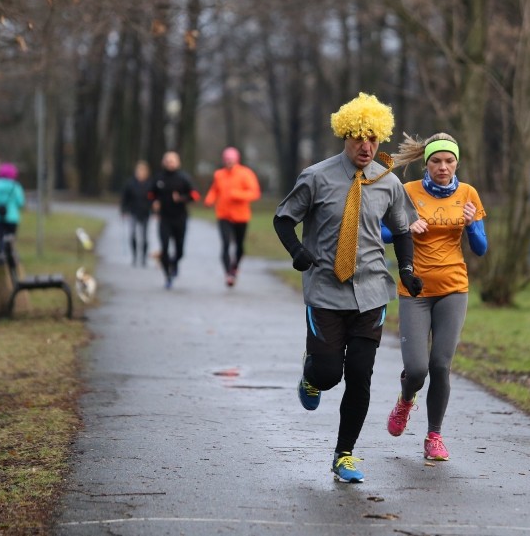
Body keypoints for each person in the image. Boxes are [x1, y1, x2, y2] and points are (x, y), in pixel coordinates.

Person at [273, 92, 424, 483]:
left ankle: (345, 454)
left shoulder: (387, 181)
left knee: (360, 373)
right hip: (325, 289)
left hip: (372, 291)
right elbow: (283, 219)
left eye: (373, 139)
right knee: (328, 375)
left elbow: (404, 230)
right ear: (345, 136)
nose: (366, 146)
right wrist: (298, 252)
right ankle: (311, 375)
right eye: (359, 137)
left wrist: (406, 270)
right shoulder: (316, 176)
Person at [382, 132, 488, 461]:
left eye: (449, 161)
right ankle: (405, 400)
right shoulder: (407, 192)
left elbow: (481, 249)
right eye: (436, 161)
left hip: (454, 289)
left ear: (457, 163)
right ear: (426, 164)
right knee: (416, 369)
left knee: (440, 365)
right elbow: (383, 232)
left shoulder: (468, 193)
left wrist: (471, 225)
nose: (443, 167)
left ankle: (434, 436)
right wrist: (404, 227)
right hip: (415, 290)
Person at [204, 146, 261, 287]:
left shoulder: (246, 173)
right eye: (227, 160)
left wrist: (237, 194)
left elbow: (254, 193)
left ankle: (235, 267)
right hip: (223, 214)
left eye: (231, 160)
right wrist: (209, 199)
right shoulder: (219, 174)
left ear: (237, 160)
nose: (229, 162)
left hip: (241, 216)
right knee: (225, 244)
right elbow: (214, 190)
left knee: (239, 246)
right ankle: (229, 273)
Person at [148, 151, 200, 289]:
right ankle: (168, 275)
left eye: (173, 160)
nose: (170, 163)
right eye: (167, 160)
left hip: (180, 218)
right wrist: (154, 202)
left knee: (180, 250)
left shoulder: (183, 178)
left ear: (178, 162)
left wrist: (182, 199)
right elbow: (150, 194)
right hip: (164, 218)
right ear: (163, 162)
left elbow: (195, 195)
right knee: (164, 248)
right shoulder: (159, 178)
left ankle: (174, 263)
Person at [0, 162, 26, 254]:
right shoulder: (16, 186)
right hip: (12, 217)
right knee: (10, 239)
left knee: (0, 237)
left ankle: (0, 256)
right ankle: (10, 258)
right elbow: (20, 202)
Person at [120, 160, 152, 267]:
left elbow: (153, 199)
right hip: (133, 211)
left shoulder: (149, 184)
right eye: (139, 171)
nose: (140, 173)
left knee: (144, 236)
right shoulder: (130, 183)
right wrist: (124, 210)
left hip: (145, 212)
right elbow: (125, 198)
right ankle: (134, 256)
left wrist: (155, 209)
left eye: (143, 171)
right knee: (132, 234)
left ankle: (143, 258)